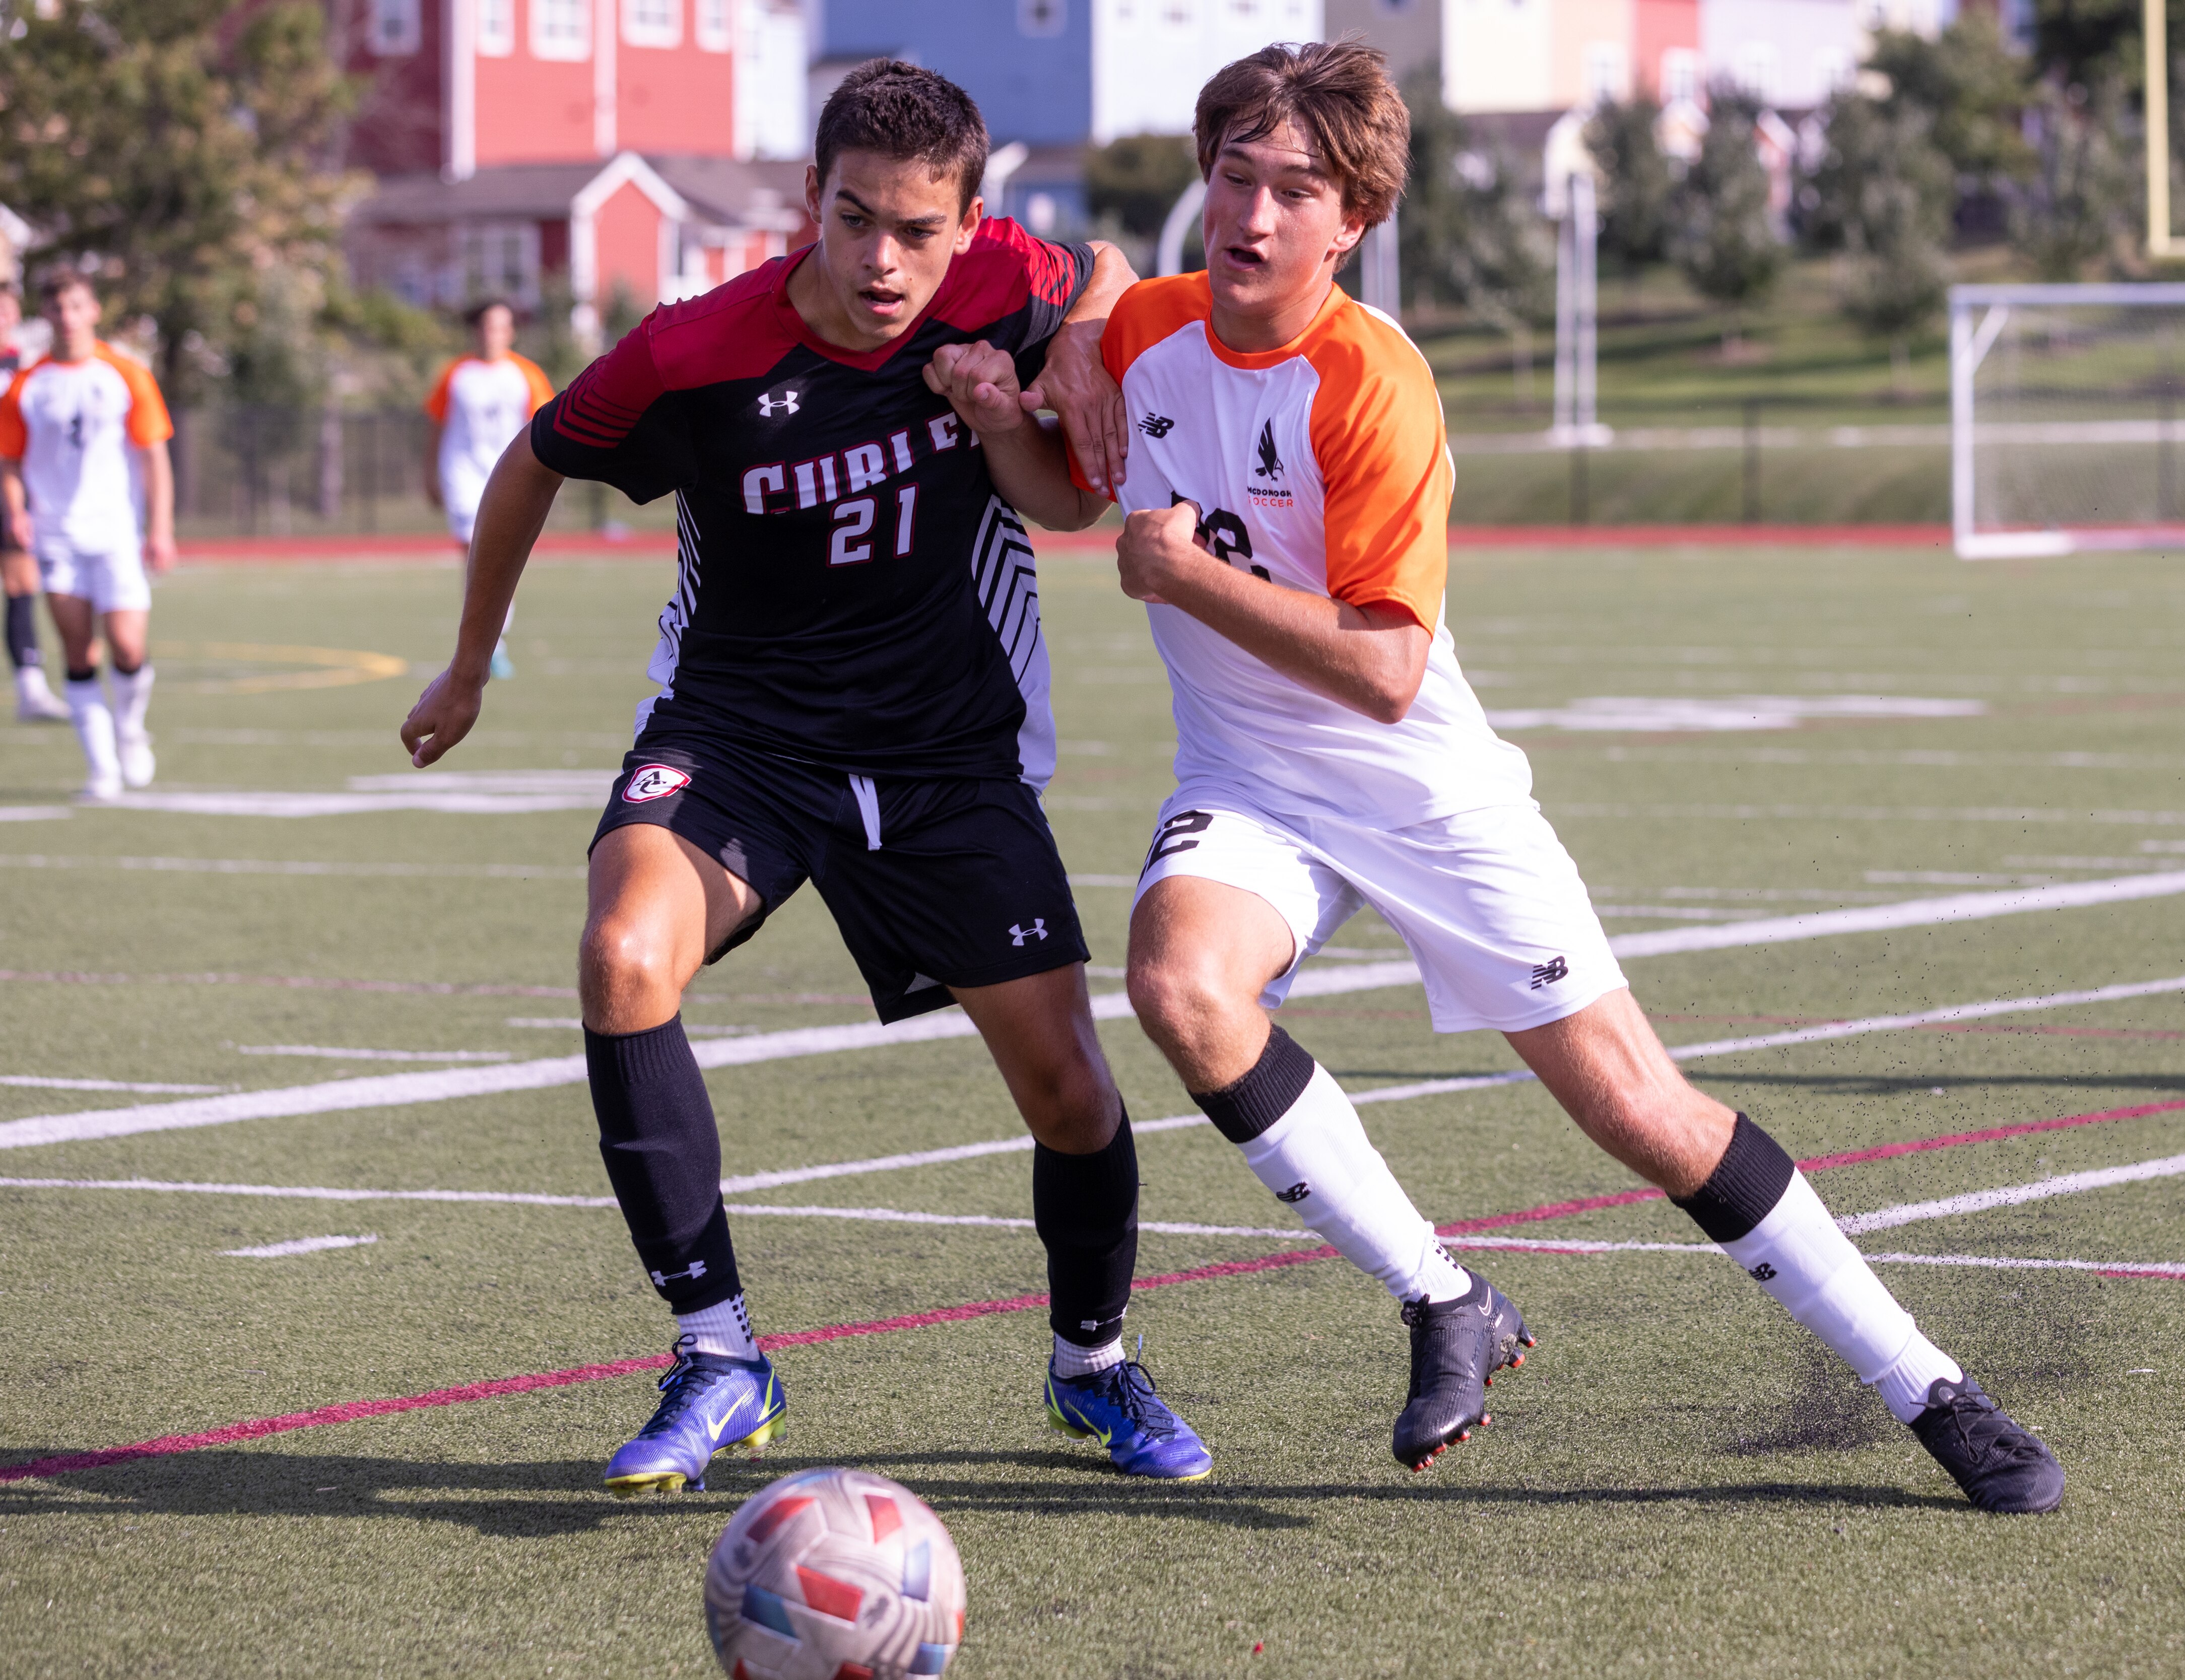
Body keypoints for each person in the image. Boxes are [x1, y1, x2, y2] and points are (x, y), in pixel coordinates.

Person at [1095, 41, 2066, 1512]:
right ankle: (1442, 1300)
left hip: (1421, 785)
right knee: (1177, 982)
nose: (1255, 212)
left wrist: (1178, 575)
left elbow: (1382, 670)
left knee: (1639, 1109)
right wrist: (1024, 378)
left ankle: (1928, 1385)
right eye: (1235, 176)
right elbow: (1074, 401)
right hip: (1250, 783)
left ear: (1349, 219)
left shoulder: (1372, 383)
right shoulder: (1148, 327)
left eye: (1296, 189)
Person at [399, 59, 1209, 1496]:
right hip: (740, 737)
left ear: (969, 222)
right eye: (852, 220)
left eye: (917, 228)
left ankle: (1091, 1362)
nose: (883, 258)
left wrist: (1077, 338)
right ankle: (718, 1354)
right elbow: (530, 464)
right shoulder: (695, 346)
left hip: (947, 752)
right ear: (807, 204)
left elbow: (1106, 272)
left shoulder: (1003, 279)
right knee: (621, 952)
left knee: (1072, 1093)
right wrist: (470, 662)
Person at [0, 271, 175, 800]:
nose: (67, 317)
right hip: (56, 537)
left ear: (93, 310)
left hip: (116, 532)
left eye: (76, 306)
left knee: (127, 645)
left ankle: (128, 730)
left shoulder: (126, 373)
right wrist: (15, 512)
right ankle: (101, 769)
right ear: (45, 315)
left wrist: (161, 527)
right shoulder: (28, 383)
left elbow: (153, 456)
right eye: (57, 308)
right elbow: (9, 459)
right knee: (79, 651)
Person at [425, 300, 553, 682]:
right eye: (486, 326)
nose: (493, 334)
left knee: (503, 560)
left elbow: (544, 430)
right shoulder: (456, 374)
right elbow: (435, 425)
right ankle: (485, 646)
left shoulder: (526, 374)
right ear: (476, 330)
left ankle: (496, 639)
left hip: (508, 479)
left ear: (510, 331)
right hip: (463, 474)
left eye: (501, 327)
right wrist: (429, 474)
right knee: (473, 555)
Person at [0, 283, 69, 722]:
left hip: (10, 491)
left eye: (9, 313)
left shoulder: (26, 369)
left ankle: (31, 688)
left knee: (22, 586)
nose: (4, 319)